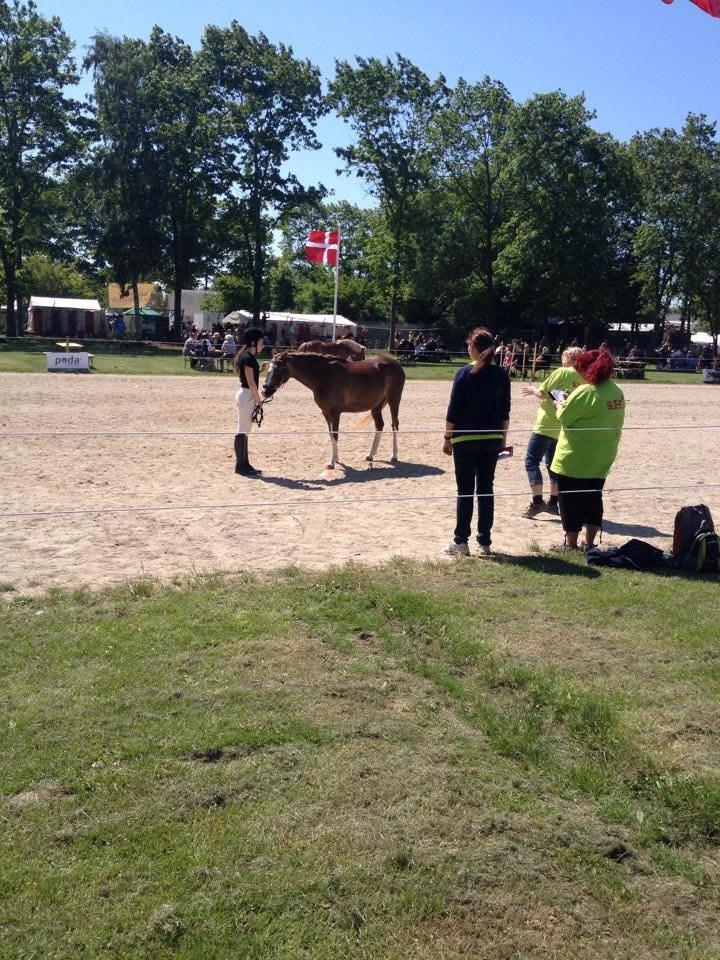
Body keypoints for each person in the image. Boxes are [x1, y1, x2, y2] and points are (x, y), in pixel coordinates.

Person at [442, 327, 511, 557]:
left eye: (469, 345)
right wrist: (503, 439)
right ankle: (485, 542)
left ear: (474, 347)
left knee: (465, 491)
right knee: (486, 490)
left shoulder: (463, 373)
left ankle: (461, 541)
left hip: (465, 439)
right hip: (491, 439)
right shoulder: (502, 375)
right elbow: (505, 413)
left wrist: (447, 437)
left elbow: (453, 410)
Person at [550, 349, 625, 550]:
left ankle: (571, 543)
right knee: (594, 499)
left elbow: (564, 417)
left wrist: (560, 402)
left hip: (575, 457)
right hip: (603, 456)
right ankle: (590, 541)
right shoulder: (616, 391)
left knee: (569, 502)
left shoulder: (586, 391)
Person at [520, 347, 584, 519]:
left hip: (546, 423)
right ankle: (554, 503)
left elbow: (543, 394)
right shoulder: (583, 377)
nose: (561, 359)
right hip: (562, 425)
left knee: (531, 461)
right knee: (553, 465)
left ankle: (537, 501)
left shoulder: (562, 371)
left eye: (563, 356)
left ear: (569, 358)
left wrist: (532, 389)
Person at [233, 327, 265, 476]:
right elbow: (251, 384)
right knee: (242, 431)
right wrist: (259, 401)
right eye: (261, 342)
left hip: (247, 395)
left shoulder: (249, 358)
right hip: (247, 396)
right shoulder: (248, 358)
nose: (263, 344)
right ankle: (241, 465)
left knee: (244, 431)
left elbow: (251, 378)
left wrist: (261, 370)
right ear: (253, 342)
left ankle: (245, 464)